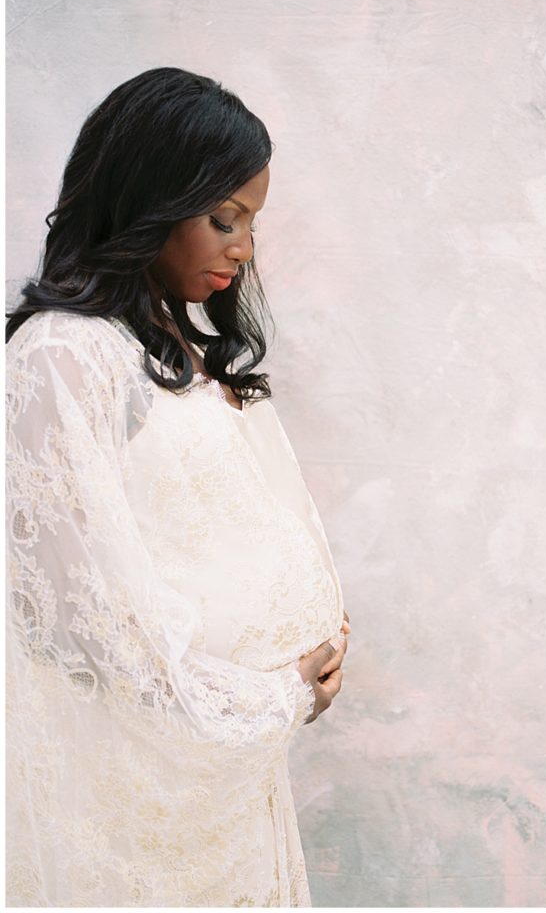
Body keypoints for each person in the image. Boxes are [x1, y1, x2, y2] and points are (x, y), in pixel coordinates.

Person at [5, 67, 349, 907]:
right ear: (145, 202)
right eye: (221, 218)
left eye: (251, 223)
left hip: (222, 787)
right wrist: (274, 691)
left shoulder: (173, 347)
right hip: (137, 789)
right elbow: (72, 613)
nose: (243, 247)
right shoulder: (65, 353)